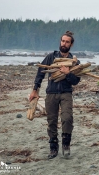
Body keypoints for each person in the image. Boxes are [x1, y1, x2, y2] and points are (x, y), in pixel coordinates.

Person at [29, 31, 80, 159]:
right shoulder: (51, 57)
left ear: (71, 44)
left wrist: (68, 73)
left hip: (66, 93)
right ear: (60, 42)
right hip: (51, 93)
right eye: (63, 41)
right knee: (51, 121)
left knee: (67, 118)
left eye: (67, 42)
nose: (64, 43)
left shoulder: (74, 62)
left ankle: (66, 145)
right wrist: (35, 89)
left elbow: (76, 81)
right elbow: (40, 72)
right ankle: (53, 147)